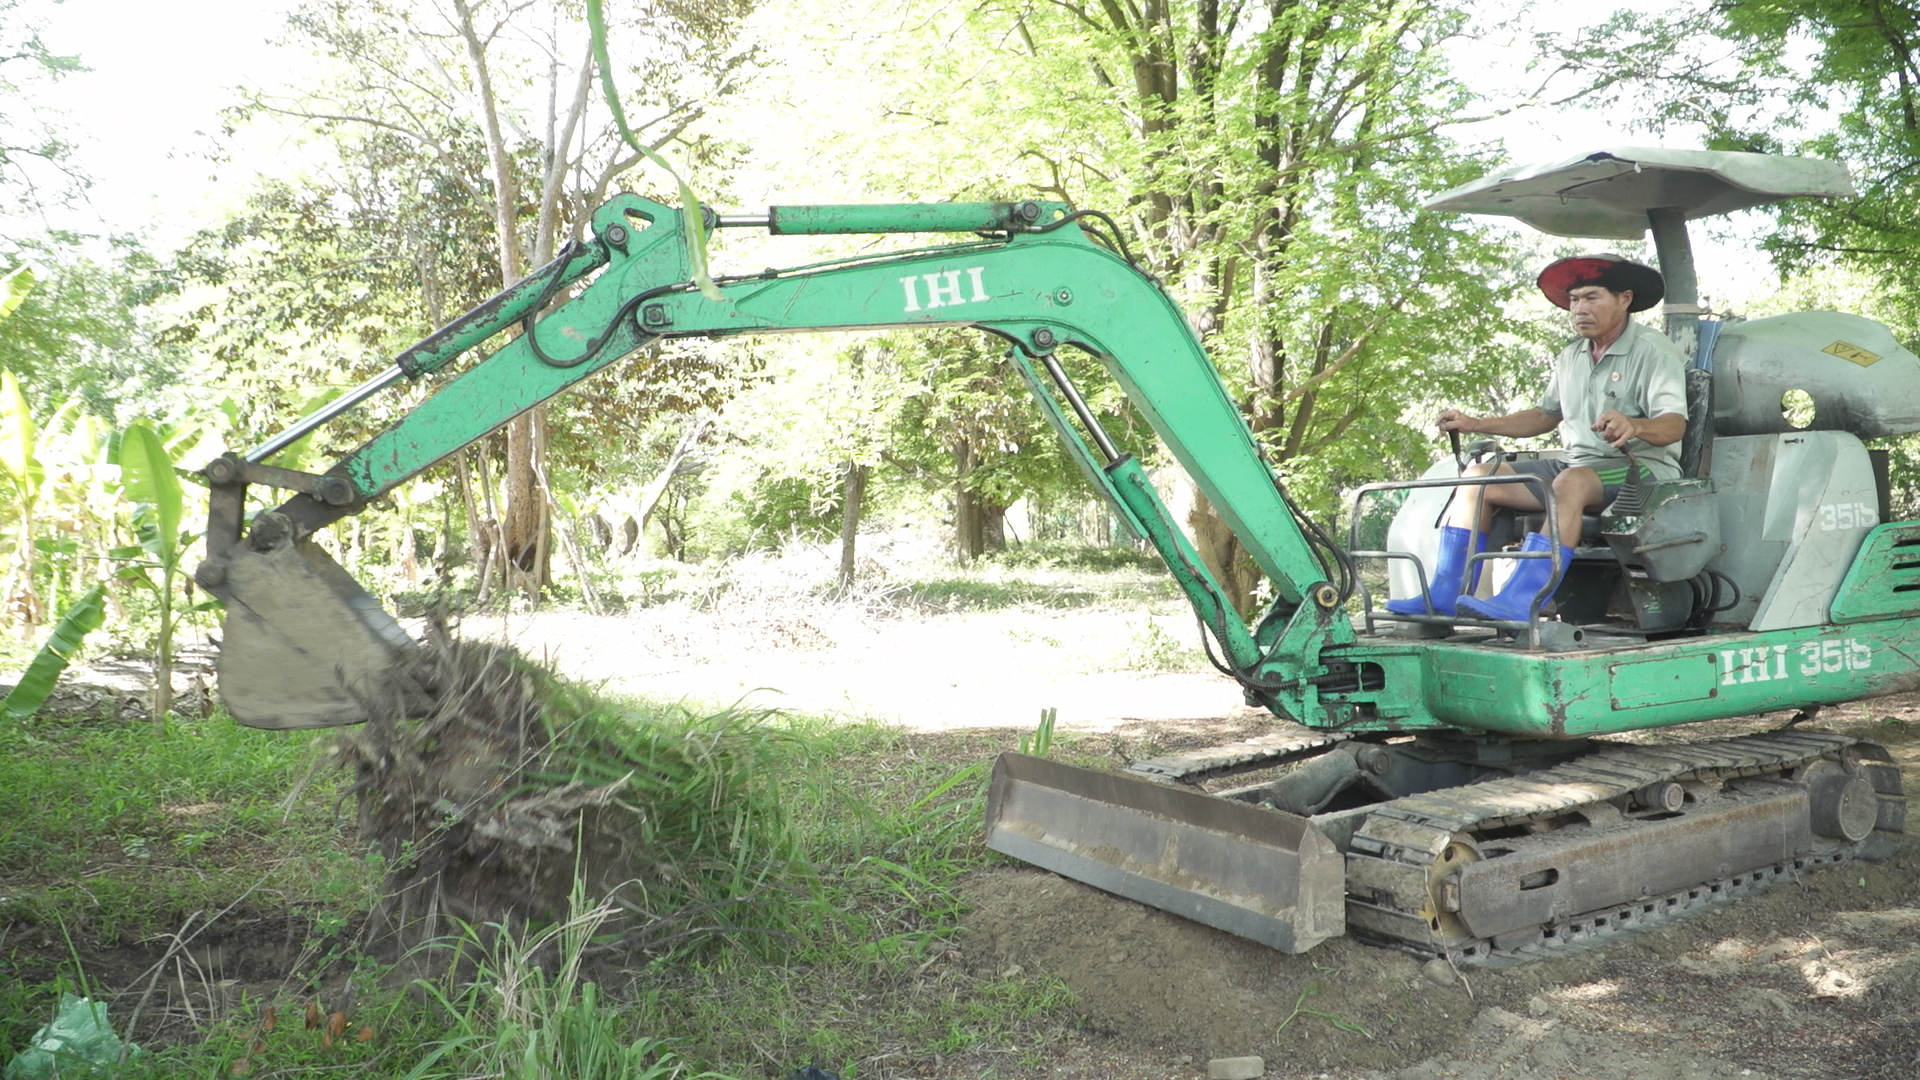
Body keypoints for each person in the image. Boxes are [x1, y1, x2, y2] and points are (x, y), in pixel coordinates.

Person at [1388, 253, 1689, 622]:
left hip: (1640, 471)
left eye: (1592, 298)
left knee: (1571, 481)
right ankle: (1446, 594)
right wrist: (1475, 422)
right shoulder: (1571, 356)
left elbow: (1675, 425)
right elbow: (1545, 416)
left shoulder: (1653, 351)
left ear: (1624, 298)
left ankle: (1523, 599)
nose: (1579, 308)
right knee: (1477, 479)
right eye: (1574, 300)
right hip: (1577, 466)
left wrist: (1636, 425)